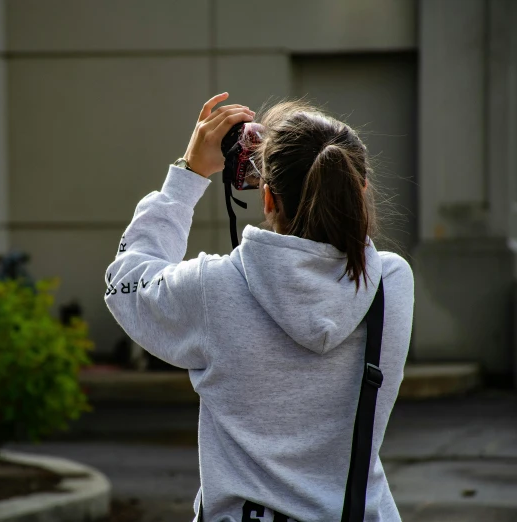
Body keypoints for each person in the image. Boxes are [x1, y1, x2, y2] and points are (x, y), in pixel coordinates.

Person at [104, 93, 414, 521]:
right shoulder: (390, 283)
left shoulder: (214, 288)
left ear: (268, 199)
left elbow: (125, 283)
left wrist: (188, 175)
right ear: (359, 191)